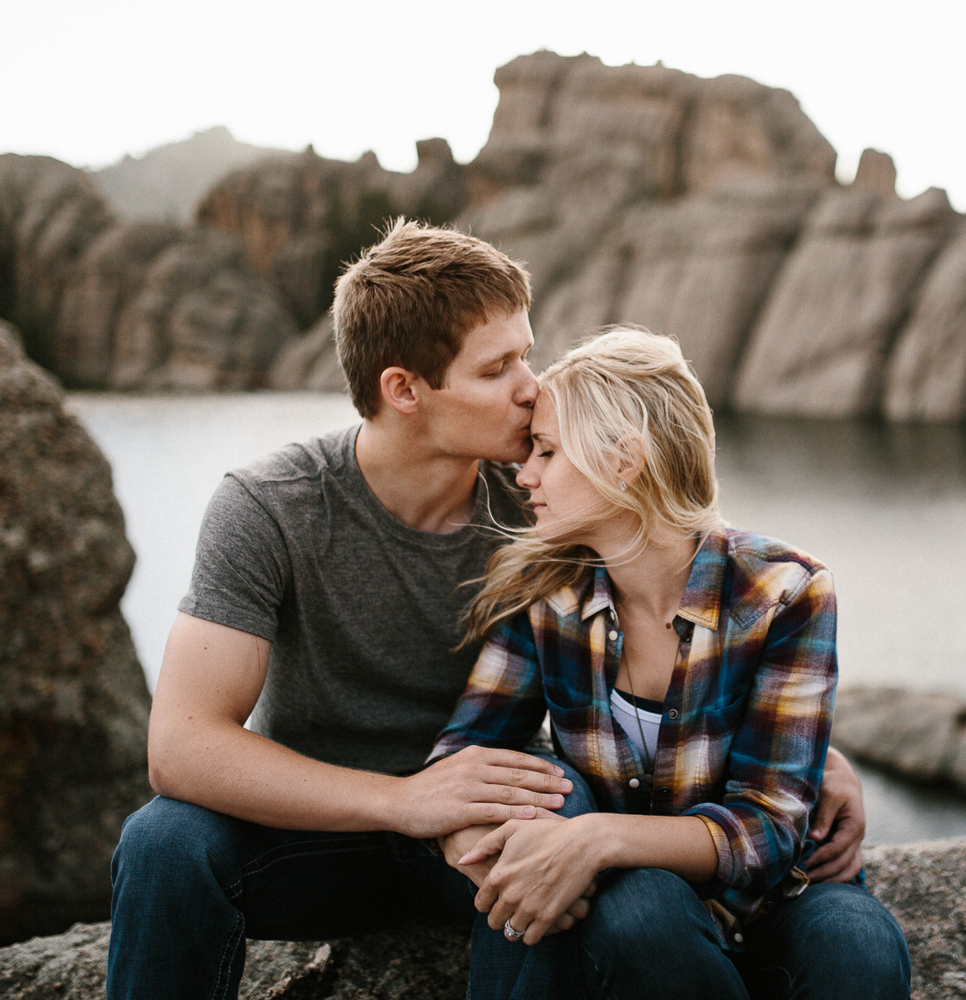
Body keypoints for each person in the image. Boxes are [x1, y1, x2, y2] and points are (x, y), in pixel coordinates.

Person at [106, 219, 871, 1000]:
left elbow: (684, 564)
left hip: (479, 839)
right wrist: (402, 801)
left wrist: (812, 761)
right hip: (324, 831)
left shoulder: (546, 501)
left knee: (551, 801)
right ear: (404, 390)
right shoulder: (270, 506)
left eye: (527, 355)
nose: (531, 387)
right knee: (164, 839)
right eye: (498, 366)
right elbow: (181, 747)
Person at [431, 328, 911, 1000]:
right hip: (642, 905)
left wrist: (596, 838)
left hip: (779, 900)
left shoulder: (785, 592)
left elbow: (771, 831)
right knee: (641, 914)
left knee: (858, 944)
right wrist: (472, 847)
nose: (524, 473)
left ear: (625, 460)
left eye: (546, 451)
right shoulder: (546, 596)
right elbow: (463, 756)